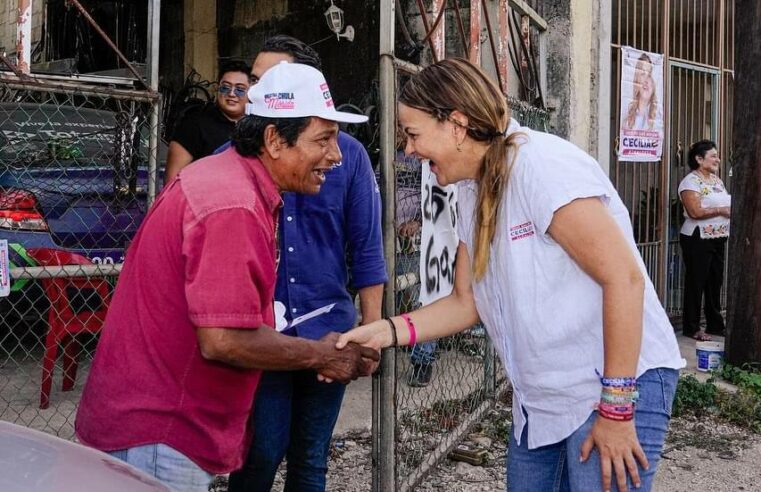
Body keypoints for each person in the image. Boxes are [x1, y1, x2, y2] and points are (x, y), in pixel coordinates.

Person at [336, 58, 685, 492]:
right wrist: (383, 331)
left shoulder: (541, 167)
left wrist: (616, 410)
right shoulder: (470, 188)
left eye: (413, 134)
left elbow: (624, 279)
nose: (408, 149)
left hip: (612, 383)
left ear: (457, 125)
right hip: (541, 399)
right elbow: (467, 302)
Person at [74, 62, 378, 492]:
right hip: (159, 435)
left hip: (153, 429)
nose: (336, 155)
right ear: (274, 140)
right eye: (323, 139)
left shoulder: (229, 182)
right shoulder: (233, 204)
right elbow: (223, 338)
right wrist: (320, 355)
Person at [226, 36, 386, 492]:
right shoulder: (234, 163)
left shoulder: (346, 157)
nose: (254, 90)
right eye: (255, 79)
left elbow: (367, 247)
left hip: (329, 332)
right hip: (264, 337)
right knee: (259, 453)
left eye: (269, 80)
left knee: (311, 459)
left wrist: (372, 331)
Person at [677, 140, 731, 341]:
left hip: (718, 236)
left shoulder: (717, 181)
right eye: (713, 156)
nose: (718, 159)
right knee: (696, 281)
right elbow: (695, 211)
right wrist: (721, 210)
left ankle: (715, 324)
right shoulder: (690, 182)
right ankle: (691, 327)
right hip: (698, 237)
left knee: (715, 282)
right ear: (699, 159)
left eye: (717, 155)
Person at [164, 60, 250, 182]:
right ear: (217, 88)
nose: (231, 94)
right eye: (225, 87)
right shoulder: (195, 122)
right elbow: (172, 180)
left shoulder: (256, 127)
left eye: (240, 89)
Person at [625, 54, 661, 131]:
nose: (646, 81)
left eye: (649, 75)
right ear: (636, 79)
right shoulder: (627, 118)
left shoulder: (658, 117)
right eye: (642, 74)